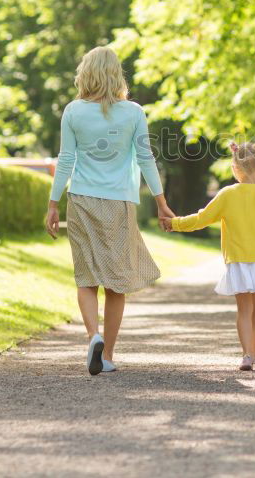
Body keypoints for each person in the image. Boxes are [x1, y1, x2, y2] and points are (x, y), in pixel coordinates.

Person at [45, 46, 175, 376]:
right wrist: (161, 203)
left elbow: (66, 160)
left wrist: (52, 204)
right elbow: (146, 159)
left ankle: (93, 337)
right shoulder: (133, 112)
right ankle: (108, 355)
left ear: (85, 73)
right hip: (120, 203)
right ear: (117, 74)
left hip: (82, 201)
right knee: (117, 284)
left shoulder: (73, 111)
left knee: (86, 277)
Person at [161, 141, 255, 371]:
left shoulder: (227, 194)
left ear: (234, 168)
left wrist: (174, 223)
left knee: (244, 310)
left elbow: (201, 218)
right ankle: (253, 353)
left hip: (238, 260)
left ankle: (246, 355)